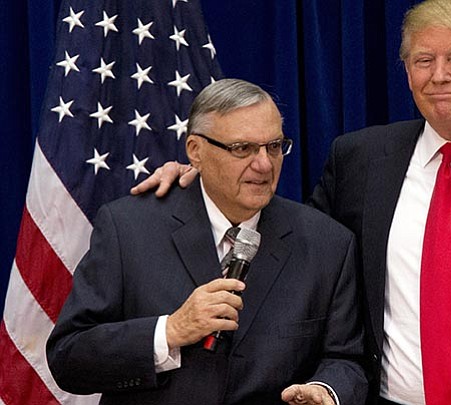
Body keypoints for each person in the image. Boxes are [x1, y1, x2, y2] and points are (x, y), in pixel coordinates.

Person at [133, 1, 451, 404]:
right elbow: (292, 250)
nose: (439, 75)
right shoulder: (360, 160)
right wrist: (205, 180)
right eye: (423, 60)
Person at [46, 79, 367, 405]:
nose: (264, 164)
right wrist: (169, 331)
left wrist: (327, 390)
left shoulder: (326, 243)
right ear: (195, 151)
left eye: (274, 146)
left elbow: (346, 360)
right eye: (242, 149)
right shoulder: (127, 228)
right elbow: (68, 356)